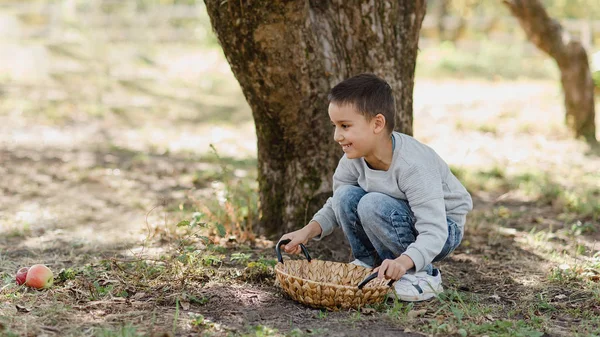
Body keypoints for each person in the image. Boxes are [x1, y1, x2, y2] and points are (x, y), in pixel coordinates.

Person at [278, 73, 473, 302]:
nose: (336, 136)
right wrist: (306, 232)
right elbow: (336, 204)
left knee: (372, 203)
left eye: (345, 126)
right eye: (335, 126)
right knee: (345, 196)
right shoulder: (353, 159)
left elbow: (435, 230)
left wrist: (404, 261)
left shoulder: (413, 165)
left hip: (443, 229)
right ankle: (369, 264)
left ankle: (422, 275)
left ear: (377, 124)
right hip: (400, 217)